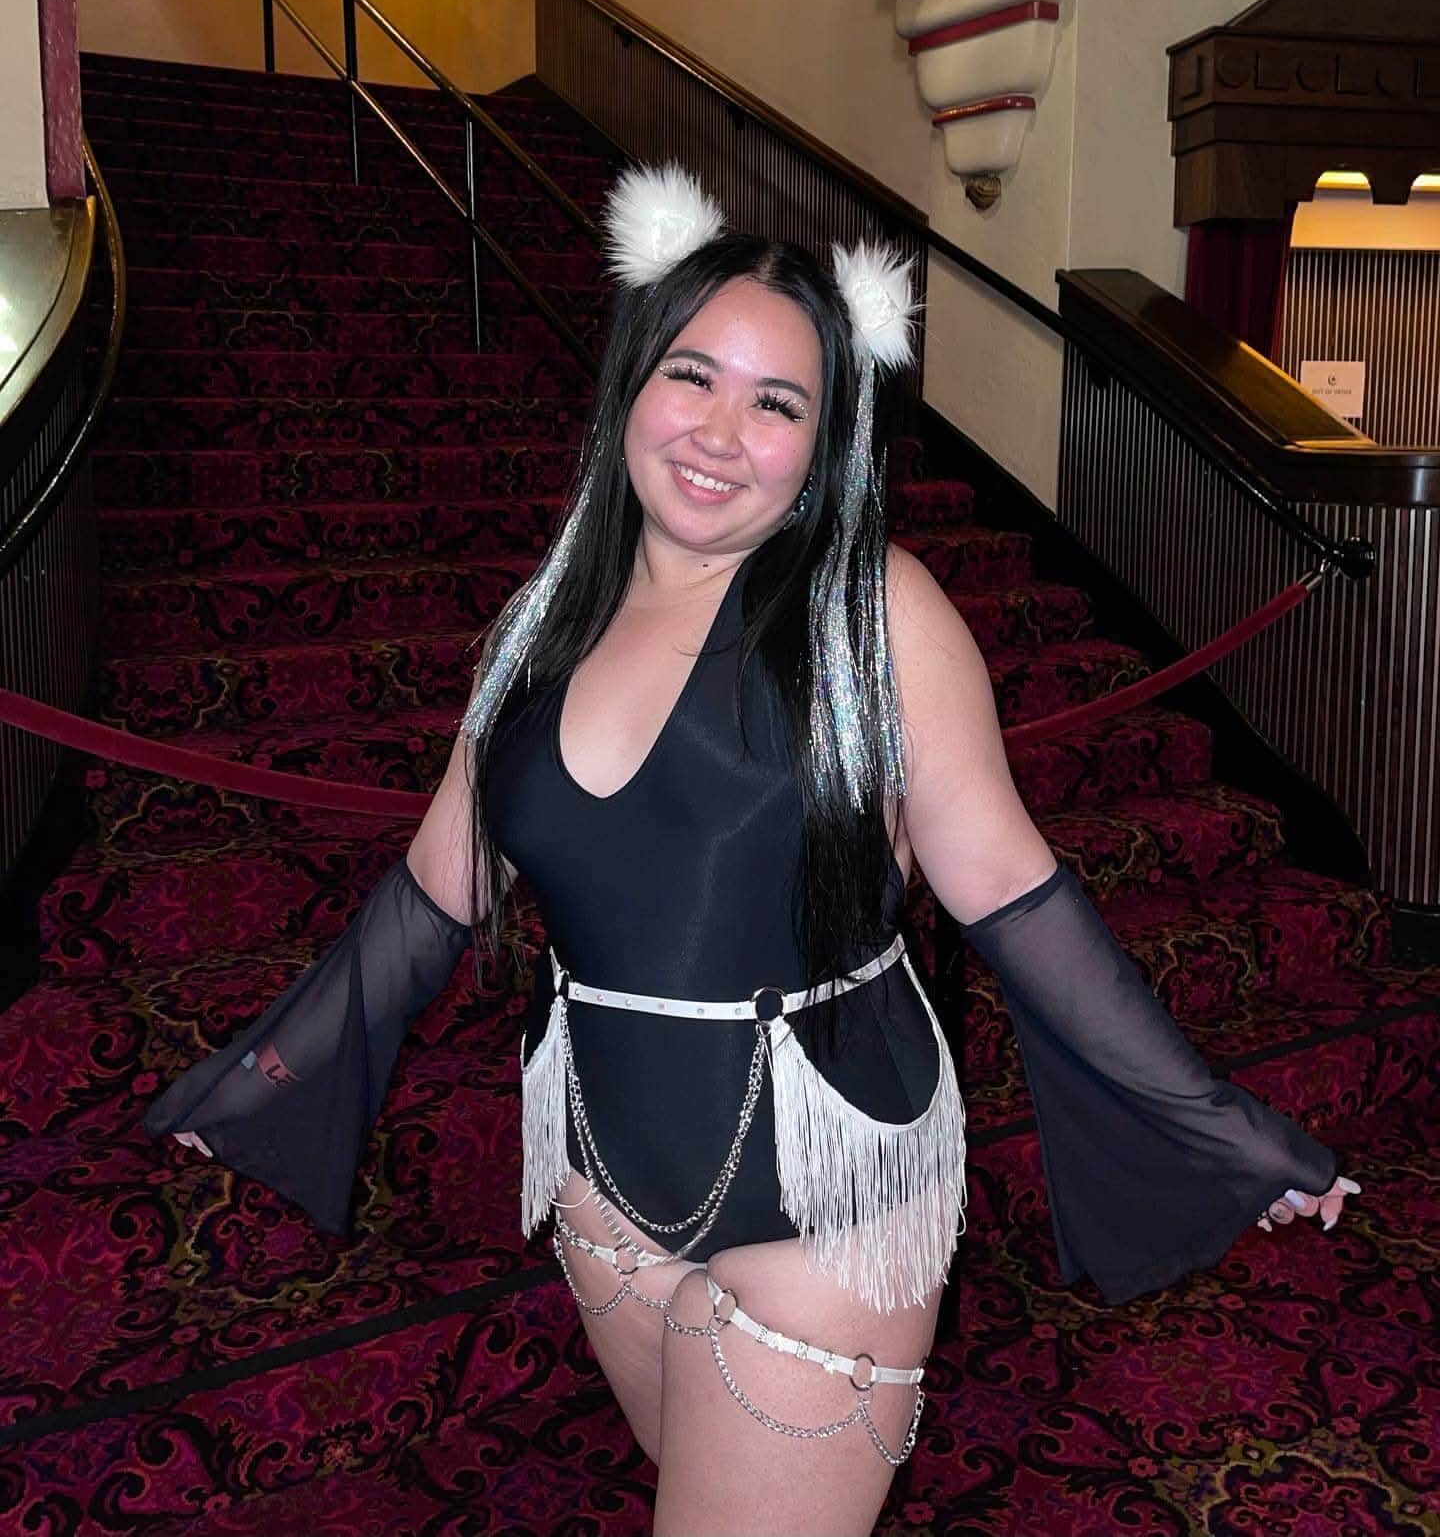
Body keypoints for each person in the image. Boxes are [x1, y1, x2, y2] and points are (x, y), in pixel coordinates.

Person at [146, 164, 1360, 1537]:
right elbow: (439, 889)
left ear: (826, 442)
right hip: (606, 1185)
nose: (721, 432)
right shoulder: (540, 625)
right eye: (692, 376)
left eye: (778, 402)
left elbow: (1010, 893)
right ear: (631, 383)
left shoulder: (873, 613)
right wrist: (265, 1074)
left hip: (831, 1198)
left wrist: (1216, 1126)